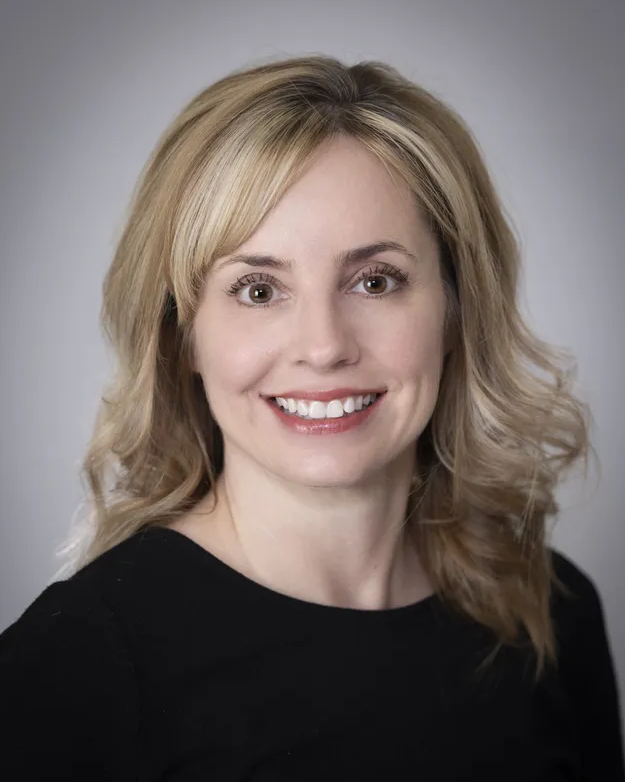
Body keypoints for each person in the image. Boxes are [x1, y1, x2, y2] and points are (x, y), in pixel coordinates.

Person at [0, 54, 623, 781]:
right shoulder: (76, 664)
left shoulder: (548, 613)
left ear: (457, 310)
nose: (324, 347)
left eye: (374, 280)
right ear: (182, 336)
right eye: (258, 290)